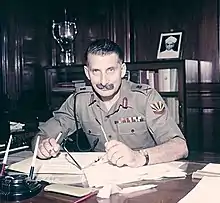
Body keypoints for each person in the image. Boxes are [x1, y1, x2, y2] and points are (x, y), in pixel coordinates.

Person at [33, 39, 188, 167]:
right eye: (96, 72)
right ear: (87, 73)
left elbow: (180, 147)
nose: (103, 81)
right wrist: (42, 147)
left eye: (110, 70)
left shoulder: (145, 98)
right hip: (101, 181)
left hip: (145, 179)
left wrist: (139, 157)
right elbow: (40, 136)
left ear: (122, 70)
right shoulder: (78, 101)